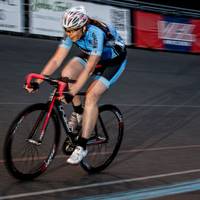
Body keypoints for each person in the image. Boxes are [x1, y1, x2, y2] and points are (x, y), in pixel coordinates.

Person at [25, 5, 127, 164]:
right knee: (65, 75)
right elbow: (56, 59)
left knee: (91, 96)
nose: (69, 34)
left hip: (113, 62)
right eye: (66, 30)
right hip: (93, 55)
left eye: (72, 30)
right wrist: (38, 81)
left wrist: (72, 92)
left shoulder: (95, 33)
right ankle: (79, 113)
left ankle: (82, 146)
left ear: (83, 26)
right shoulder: (70, 31)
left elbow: (89, 69)